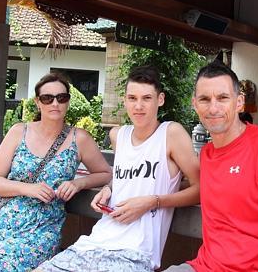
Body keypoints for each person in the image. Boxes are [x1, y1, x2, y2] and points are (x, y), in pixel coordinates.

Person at [36, 65, 200, 272]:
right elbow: (128, 176)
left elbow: (201, 188)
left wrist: (152, 202)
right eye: (132, 98)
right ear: (125, 100)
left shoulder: (171, 134)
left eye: (146, 98)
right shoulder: (118, 135)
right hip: (94, 243)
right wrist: (109, 188)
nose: (138, 106)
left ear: (160, 99)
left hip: (134, 253)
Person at [167, 62, 258, 272]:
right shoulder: (207, 154)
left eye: (223, 98)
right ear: (195, 105)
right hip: (202, 267)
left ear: (239, 103)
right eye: (205, 99)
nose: (213, 108)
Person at [0, 73, 112, 272]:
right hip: (2, 221)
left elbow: (105, 173)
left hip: (42, 228)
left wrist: (78, 184)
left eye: (61, 97)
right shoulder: (19, 132)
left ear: (68, 101)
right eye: (47, 98)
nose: (55, 103)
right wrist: (28, 189)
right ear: (37, 102)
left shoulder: (79, 138)